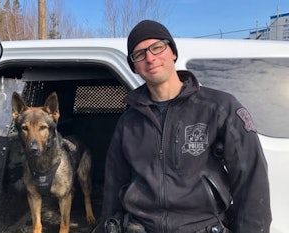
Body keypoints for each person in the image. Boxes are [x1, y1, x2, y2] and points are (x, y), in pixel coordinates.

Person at [99, 20, 272, 233]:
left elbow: (251, 181)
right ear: (134, 66)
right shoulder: (128, 122)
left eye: (157, 47)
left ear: (172, 52)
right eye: (139, 54)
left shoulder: (219, 108)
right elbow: (114, 185)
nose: (150, 58)